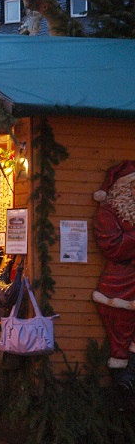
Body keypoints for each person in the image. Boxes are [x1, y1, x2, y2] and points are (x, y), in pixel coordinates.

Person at [92, 160, 135, 396]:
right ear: (122, 189)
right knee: (120, 339)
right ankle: (123, 386)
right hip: (119, 287)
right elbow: (113, 246)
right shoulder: (107, 214)